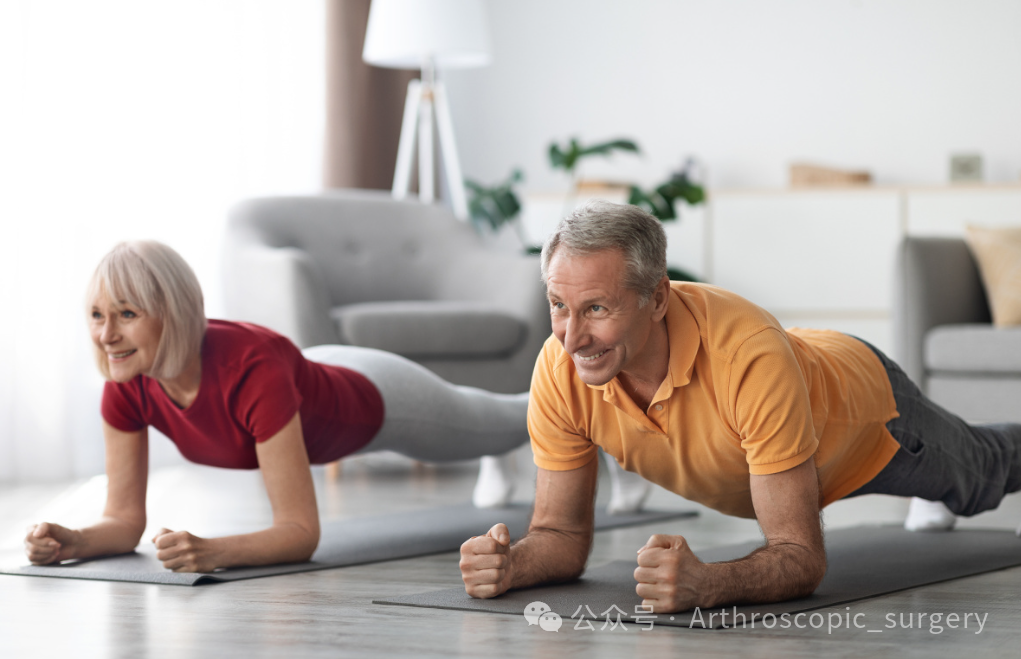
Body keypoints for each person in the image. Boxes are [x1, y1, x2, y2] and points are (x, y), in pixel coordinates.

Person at [458, 200, 1021, 613]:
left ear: (658, 298)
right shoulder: (562, 367)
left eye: (597, 308)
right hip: (792, 382)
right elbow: (559, 534)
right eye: (559, 305)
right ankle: (934, 499)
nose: (571, 336)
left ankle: (937, 491)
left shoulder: (746, 359)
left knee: (984, 476)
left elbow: (800, 555)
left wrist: (709, 584)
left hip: (868, 413)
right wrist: (514, 563)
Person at [23, 240, 530, 573]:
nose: (105, 335)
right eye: (96, 315)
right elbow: (124, 521)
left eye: (126, 315)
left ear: (172, 314)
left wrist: (213, 551)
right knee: (488, 424)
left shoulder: (249, 371)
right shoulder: (127, 382)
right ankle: (499, 451)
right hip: (306, 374)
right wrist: (74, 540)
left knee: (502, 421)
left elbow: (300, 533)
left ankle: (574, 398)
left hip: (374, 397)